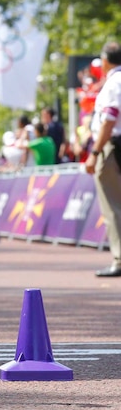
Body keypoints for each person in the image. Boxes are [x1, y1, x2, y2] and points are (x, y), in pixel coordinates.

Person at [85, 42, 121, 277]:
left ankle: (119, 260)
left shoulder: (114, 82)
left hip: (113, 146)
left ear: (106, 60)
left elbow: (109, 119)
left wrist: (95, 152)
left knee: (113, 207)